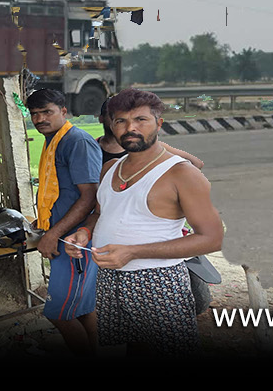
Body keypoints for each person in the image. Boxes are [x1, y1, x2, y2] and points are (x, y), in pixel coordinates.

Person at [63, 89, 222, 356]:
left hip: (158, 282)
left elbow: (211, 238)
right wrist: (83, 232)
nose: (130, 128)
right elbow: (101, 214)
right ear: (111, 125)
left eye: (140, 120)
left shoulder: (181, 173)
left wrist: (133, 252)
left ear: (158, 123)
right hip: (110, 279)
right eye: (121, 121)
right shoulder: (110, 168)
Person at [27, 88, 103, 355]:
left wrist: (53, 233)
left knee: (58, 313)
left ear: (63, 111)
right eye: (34, 114)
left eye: (46, 112)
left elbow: (89, 197)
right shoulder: (52, 141)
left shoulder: (76, 141)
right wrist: (44, 222)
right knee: (82, 307)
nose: (39, 119)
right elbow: (59, 190)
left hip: (73, 241)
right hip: (60, 235)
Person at [95, 97, 206, 170]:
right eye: (114, 117)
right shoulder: (90, 148)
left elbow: (196, 163)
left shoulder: (148, 147)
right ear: (101, 119)